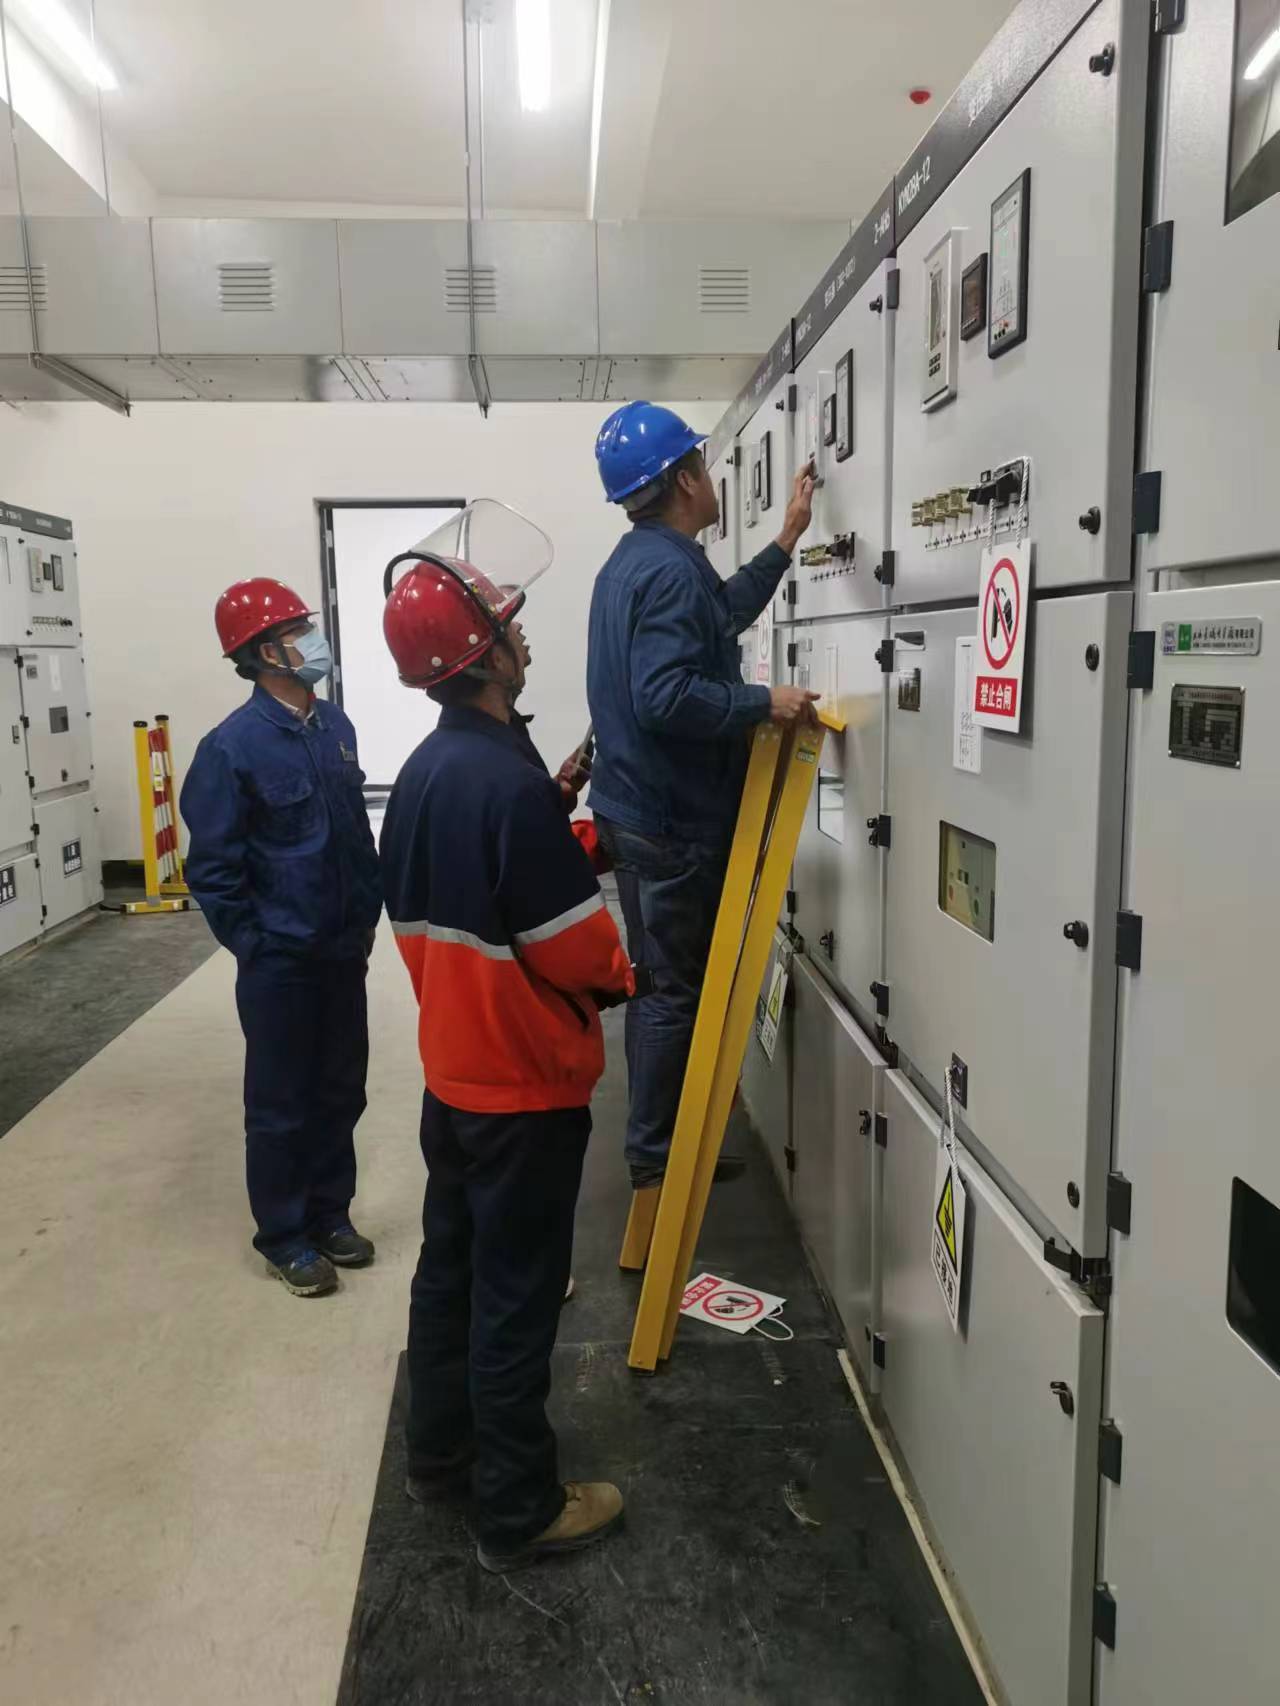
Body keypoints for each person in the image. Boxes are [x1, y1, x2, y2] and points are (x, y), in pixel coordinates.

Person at [379, 502, 633, 1574]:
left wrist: (555, 809)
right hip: (525, 1087)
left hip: (455, 1076)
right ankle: (520, 1507)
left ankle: (438, 1459)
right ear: (481, 656)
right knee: (517, 1298)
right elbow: (576, 948)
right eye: (507, 623)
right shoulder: (502, 788)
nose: (521, 632)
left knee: (451, 1273)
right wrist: (631, 974)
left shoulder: (427, 774)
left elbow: (472, 894)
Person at [587, 402, 819, 1189]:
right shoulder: (668, 570)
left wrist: (786, 540)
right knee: (671, 991)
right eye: (703, 464)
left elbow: (715, 619)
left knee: (661, 982)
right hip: (668, 822)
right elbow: (664, 696)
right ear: (685, 480)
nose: (713, 477)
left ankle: (667, 1141)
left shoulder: (640, 562)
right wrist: (762, 702)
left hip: (637, 810)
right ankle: (658, 1157)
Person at [180, 579, 382, 1298]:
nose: (313, 640)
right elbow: (213, 870)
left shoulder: (336, 727)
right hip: (281, 961)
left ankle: (331, 1215)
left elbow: (354, 835)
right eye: (299, 630)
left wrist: (365, 918)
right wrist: (258, 946)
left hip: (342, 949)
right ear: (267, 653)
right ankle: (285, 1236)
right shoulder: (229, 749)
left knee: (341, 1090)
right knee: (280, 1103)